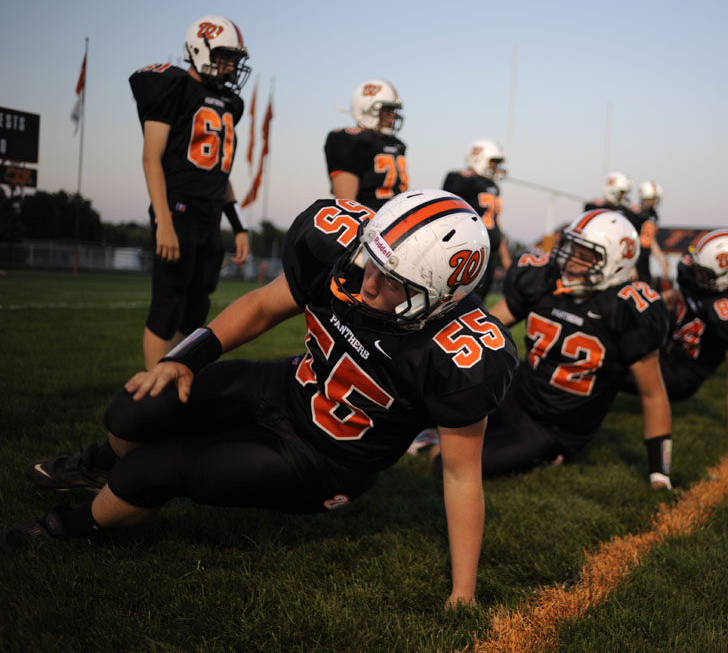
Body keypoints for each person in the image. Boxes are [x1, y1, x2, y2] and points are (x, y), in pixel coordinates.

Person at [7, 190, 519, 609]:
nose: (367, 279)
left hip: (326, 459)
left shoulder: (463, 354)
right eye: (371, 258)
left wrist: (463, 592)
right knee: (135, 405)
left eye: (390, 280)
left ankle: (73, 525)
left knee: (157, 469)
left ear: (438, 299)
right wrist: (184, 358)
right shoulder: (346, 252)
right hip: (286, 386)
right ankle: (97, 463)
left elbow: (460, 475)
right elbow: (259, 308)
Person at [426, 209, 673, 489]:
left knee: (445, 462)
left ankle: (438, 439)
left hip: (554, 427)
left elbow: (653, 395)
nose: (570, 260)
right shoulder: (545, 280)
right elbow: (487, 326)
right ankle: (429, 428)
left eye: (585, 255)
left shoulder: (625, 309)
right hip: (517, 393)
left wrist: (659, 473)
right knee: (443, 397)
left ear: (617, 263)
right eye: (572, 248)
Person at [132, 15, 252, 369]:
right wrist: (164, 220)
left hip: (211, 213)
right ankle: (151, 402)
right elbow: (151, 158)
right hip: (178, 209)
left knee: (197, 305)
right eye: (225, 56)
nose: (231, 65)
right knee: (168, 303)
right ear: (200, 49)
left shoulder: (230, 103)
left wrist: (239, 225)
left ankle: (171, 380)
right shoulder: (173, 87)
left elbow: (219, 171)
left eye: (234, 58)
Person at [658, 229, 728, 430]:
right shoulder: (691, 270)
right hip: (665, 346)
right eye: (697, 267)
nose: (696, 273)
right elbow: (681, 293)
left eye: (704, 272)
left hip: (684, 373)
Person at [442, 140, 512, 299]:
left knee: (478, 301)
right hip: (469, 253)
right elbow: (451, 215)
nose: (496, 166)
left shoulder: (493, 186)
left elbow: (495, 223)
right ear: (479, 158)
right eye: (494, 161)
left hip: (489, 254)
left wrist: (506, 260)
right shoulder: (459, 178)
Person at [324, 79, 409, 211]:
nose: (392, 117)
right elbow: (346, 206)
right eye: (386, 110)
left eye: (393, 110)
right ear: (365, 108)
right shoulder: (350, 139)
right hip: (368, 223)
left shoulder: (396, 144)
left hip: (396, 220)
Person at [631, 181, 670, 287]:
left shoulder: (653, 215)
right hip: (634, 258)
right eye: (649, 199)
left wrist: (662, 260)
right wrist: (631, 265)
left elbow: (650, 239)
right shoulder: (635, 215)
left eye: (654, 199)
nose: (652, 202)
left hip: (645, 258)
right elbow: (630, 240)